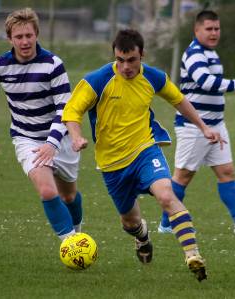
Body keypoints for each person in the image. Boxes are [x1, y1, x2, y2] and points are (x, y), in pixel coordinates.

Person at [62, 29, 224, 282]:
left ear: (142, 55)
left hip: (145, 151)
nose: (126, 66)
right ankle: (142, 236)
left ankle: (192, 254)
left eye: (132, 60)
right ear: (115, 56)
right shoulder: (98, 79)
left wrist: (204, 127)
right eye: (120, 60)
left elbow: (179, 100)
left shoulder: (153, 77)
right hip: (112, 164)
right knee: (130, 221)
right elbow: (72, 111)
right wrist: (75, 136)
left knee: (166, 194)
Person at [158, 10, 235, 235]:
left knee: (227, 171)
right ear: (196, 30)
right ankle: (166, 224)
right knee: (183, 176)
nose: (214, 33)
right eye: (208, 29)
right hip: (194, 127)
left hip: (216, 125)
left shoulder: (211, 53)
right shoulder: (194, 53)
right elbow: (205, 82)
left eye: (216, 29)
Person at [0, 8, 83, 241]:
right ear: (10, 39)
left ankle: (78, 234)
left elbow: (64, 109)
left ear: (36, 34)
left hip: (60, 138)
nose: (24, 41)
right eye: (19, 37)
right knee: (47, 190)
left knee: (69, 196)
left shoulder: (53, 64)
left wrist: (52, 144)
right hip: (26, 138)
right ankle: (72, 244)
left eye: (29, 35)